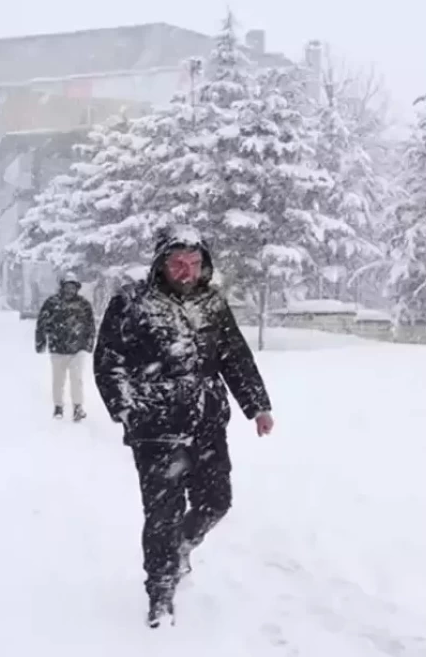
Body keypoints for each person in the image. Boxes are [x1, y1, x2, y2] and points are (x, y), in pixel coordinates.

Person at [93, 225, 274, 629]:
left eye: (193, 263)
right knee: (163, 513)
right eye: (177, 263)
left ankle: (181, 547)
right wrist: (127, 410)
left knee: (217, 501)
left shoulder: (212, 302)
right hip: (156, 427)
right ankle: (160, 593)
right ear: (161, 264)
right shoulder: (132, 302)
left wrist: (257, 406)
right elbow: (108, 362)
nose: (186, 271)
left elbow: (234, 357)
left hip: (207, 422)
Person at [34, 272, 96, 421]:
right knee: (58, 380)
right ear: (62, 287)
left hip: (77, 349)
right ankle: (58, 407)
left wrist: (89, 343)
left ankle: (78, 407)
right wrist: (40, 342)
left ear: (77, 288)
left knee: (77, 379)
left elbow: (90, 325)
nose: (70, 290)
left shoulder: (83, 305)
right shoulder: (52, 303)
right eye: (67, 287)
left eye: (73, 287)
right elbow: (42, 323)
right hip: (57, 348)